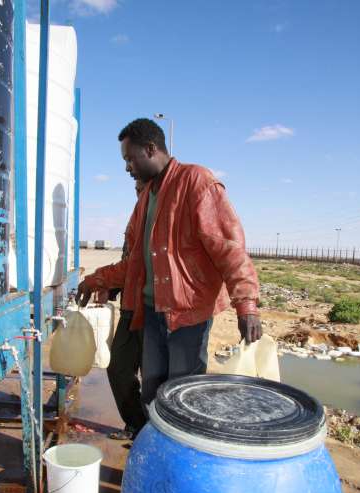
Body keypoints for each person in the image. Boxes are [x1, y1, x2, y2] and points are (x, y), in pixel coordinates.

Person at [76, 118, 262, 415]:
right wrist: (98, 280)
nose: (127, 167)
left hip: (188, 314)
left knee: (183, 396)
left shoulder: (195, 181)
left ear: (151, 149)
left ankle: (178, 442)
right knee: (152, 390)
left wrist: (247, 305)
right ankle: (150, 439)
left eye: (130, 158)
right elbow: (135, 264)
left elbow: (228, 247)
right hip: (152, 312)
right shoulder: (145, 198)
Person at [106, 179, 146, 441]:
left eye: (144, 188)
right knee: (118, 367)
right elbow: (128, 264)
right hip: (130, 308)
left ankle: (152, 434)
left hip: (157, 313)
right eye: (137, 189)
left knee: (154, 377)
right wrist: (112, 287)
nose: (139, 192)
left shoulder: (164, 218)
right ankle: (135, 423)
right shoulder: (134, 220)